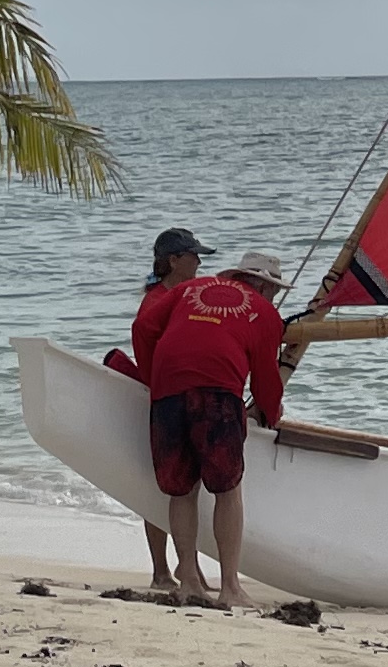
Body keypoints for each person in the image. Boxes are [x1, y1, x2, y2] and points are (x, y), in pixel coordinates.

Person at [135, 244, 290, 609]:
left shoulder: (188, 290)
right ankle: (230, 586)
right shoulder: (265, 313)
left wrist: (151, 379)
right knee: (227, 489)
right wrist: (270, 413)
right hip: (218, 396)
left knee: (181, 490)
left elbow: (143, 327)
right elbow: (266, 378)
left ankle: (188, 579)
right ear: (266, 287)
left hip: (168, 393)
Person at [108, 228, 208, 595]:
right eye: (193, 256)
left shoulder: (173, 296)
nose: (199, 262)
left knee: (175, 487)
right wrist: (159, 384)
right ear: (173, 261)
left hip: (168, 397)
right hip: (162, 399)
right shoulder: (158, 300)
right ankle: (164, 571)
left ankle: (183, 569)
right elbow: (144, 338)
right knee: (169, 486)